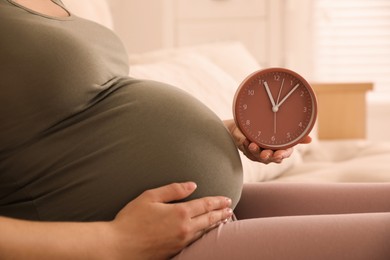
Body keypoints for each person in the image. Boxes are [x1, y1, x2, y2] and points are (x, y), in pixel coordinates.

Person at [0, 1, 389, 259]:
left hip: (197, 213)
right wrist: (116, 241)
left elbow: (86, 123)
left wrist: (224, 133)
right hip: (136, 245)